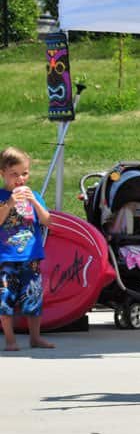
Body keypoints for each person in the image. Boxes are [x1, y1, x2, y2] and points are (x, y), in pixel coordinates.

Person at [0, 147, 54, 351]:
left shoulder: (34, 195)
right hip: (5, 258)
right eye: (14, 174)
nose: (20, 179)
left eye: (24, 173)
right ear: (2, 174)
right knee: (5, 299)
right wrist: (10, 202)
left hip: (30, 257)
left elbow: (48, 220)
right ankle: (10, 340)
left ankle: (35, 338)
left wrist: (34, 201)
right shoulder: (1, 197)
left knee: (33, 297)